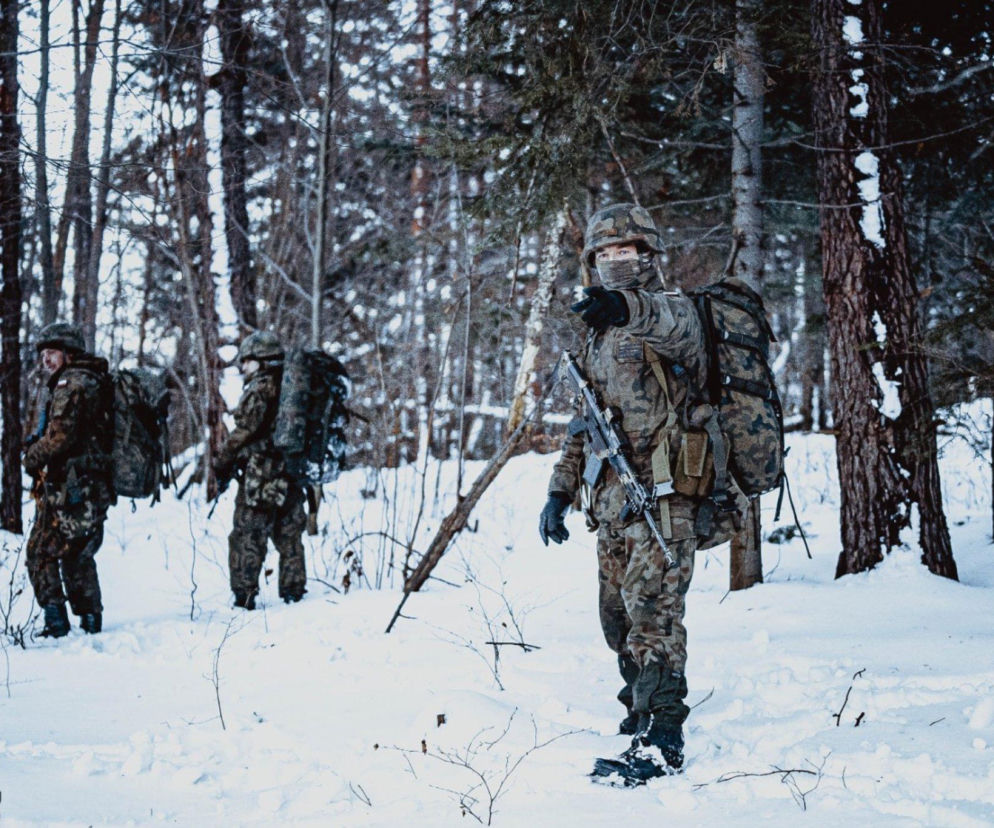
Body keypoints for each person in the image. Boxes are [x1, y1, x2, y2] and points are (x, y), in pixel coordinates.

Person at [539, 203, 745, 783]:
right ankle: (638, 710)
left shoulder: (677, 315)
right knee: (616, 620)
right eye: (603, 257)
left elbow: (663, 320)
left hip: (666, 497)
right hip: (610, 505)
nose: (614, 265)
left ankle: (663, 737)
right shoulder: (596, 336)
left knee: (654, 618)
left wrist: (627, 304)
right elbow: (586, 426)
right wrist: (559, 492)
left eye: (625, 253)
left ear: (649, 257)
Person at [23, 322, 114, 638]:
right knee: (77, 554)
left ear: (68, 352)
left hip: (73, 488)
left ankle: (58, 624)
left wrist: (32, 456)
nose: (46, 359)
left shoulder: (70, 384)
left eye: (51, 352)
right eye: (44, 354)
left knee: (40, 551)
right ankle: (89, 623)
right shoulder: (92, 381)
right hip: (89, 486)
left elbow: (59, 438)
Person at [213, 332, 307, 609]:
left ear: (262, 361)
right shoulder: (295, 388)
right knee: (289, 534)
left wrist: (223, 461)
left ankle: (244, 596)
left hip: (262, 474)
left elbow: (244, 431)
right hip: (290, 471)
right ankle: (295, 593)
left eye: (248, 361)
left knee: (247, 533)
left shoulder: (261, 388)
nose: (243, 367)